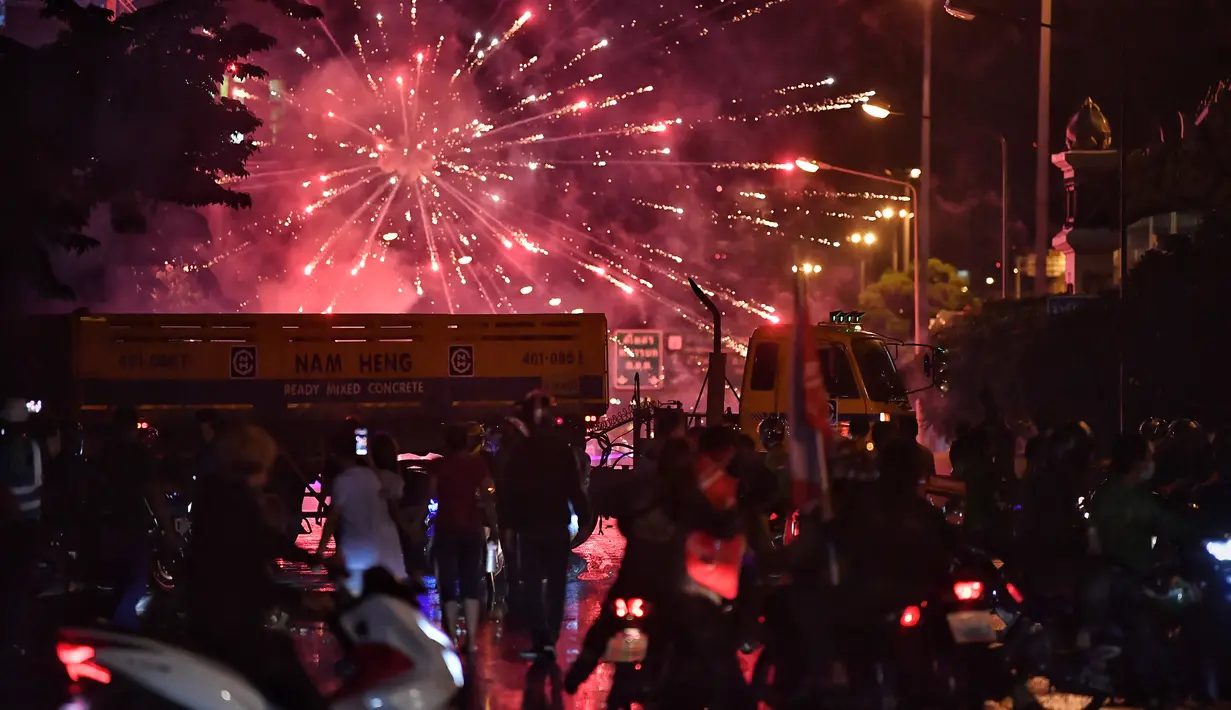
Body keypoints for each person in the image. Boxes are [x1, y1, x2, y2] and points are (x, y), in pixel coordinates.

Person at [564, 430, 743, 701]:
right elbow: (720, 525)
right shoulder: (688, 495)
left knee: (604, 626)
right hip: (671, 586)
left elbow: (613, 504)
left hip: (635, 578)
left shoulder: (642, 488)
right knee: (705, 641)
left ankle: (578, 672)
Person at [183, 424, 330, 710]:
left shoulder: (217, 494)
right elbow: (252, 558)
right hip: (229, 623)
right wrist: (302, 588)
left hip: (213, 618)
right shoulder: (235, 501)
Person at [501, 391, 590, 659]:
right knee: (555, 583)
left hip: (529, 527)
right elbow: (574, 487)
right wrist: (585, 518)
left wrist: (507, 524)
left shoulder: (519, 451)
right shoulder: (561, 450)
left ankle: (541, 638)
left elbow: (510, 491)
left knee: (531, 584)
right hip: (555, 525)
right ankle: (550, 638)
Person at [97, 406, 175, 629]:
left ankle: (116, 626)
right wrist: (168, 531)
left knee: (118, 582)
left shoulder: (105, 454)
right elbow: (154, 493)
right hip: (131, 525)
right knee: (134, 583)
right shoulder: (138, 455)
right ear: (133, 428)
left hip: (107, 525)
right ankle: (124, 629)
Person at [422, 424, 497, 652]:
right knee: (471, 582)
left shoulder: (438, 466)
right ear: (465, 441)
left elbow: (431, 494)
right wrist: (494, 525)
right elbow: (487, 494)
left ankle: (452, 637)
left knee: (447, 583)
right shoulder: (477, 464)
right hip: (472, 528)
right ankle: (472, 640)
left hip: (446, 528)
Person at [316, 425, 408, 596]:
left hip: (352, 549)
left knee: (353, 598)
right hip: (373, 548)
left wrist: (320, 551)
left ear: (335, 455)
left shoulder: (342, 481)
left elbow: (333, 519)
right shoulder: (372, 477)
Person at [0, 398, 42, 687]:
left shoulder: (5, 449)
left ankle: (11, 639)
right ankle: (17, 638)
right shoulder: (33, 447)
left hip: (12, 525)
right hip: (30, 523)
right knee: (21, 583)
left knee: (12, 584)